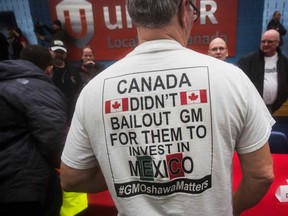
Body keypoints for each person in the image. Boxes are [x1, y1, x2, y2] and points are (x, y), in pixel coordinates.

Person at [60, 1, 274, 215]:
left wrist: (127, 172)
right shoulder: (232, 79)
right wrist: (230, 209)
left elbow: (72, 178)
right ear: (183, 10)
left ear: (133, 17)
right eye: (194, 12)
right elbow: (261, 175)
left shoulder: (94, 90)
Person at [0, 45, 68, 216]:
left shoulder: (5, 82)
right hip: (22, 184)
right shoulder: (39, 88)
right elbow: (54, 139)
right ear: (50, 69)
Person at [237, 29, 288, 114]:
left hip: (272, 108)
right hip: (252, 108)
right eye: (263, 41)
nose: (265, 44)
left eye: (269, 41)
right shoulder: (248, 60)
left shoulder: (285, 62)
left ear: (277, 43)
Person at [49, 40, 82, 125]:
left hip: (72, 115)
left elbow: (79, 90)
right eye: (56, 52)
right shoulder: (46, 70)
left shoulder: (73, 70)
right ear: (49, 51)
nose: (59, 54)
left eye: (62, 52)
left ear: (66, 54)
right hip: (53, 114)